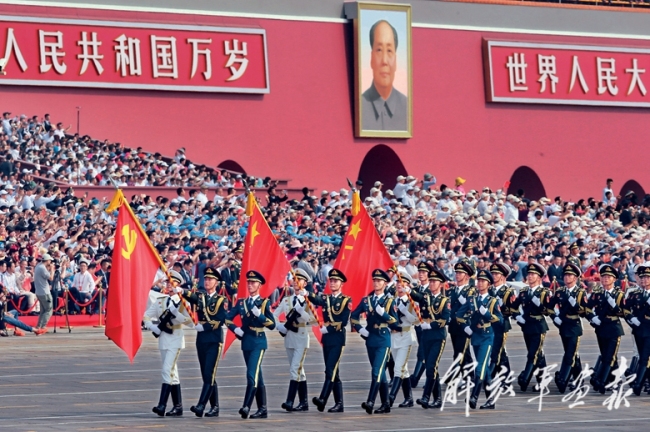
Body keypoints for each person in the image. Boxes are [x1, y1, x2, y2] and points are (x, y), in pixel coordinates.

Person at [178, 267, 228, 418]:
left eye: (210, 279)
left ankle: (201, 405)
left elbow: (220, 320)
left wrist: (204, 326)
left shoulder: (221, 300)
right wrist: (179, 289)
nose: (207, 281)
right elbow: (191, 297)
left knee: (209, 374)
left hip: (214, 339)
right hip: (201, 340)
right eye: (205, 279)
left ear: (216, 283)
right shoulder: (201, 296)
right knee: (208, 376)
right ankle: (215, 407)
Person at [143, 270, 194, 417]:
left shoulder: (183, 303)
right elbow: (146, 315)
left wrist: (176, 314)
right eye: (167, 283)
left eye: (171, 283)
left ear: (178, 285)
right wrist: (152, 327)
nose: (168, 286)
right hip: (163, 339)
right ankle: (178, 407)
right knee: (173, 373)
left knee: (166, 370)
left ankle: (162, 405)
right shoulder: (161, 300)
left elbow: (191, 323)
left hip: (175, 339)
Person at [226, 270, 276, 419]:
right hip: (246, 341)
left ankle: (246, 406)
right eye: (248, 282)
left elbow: (272, 325)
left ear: (259, 285)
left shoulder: (264, 302)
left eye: (253, 282)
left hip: (258, 341)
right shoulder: (241, 302)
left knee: (251, 375)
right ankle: (263, 409)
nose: (250, 285)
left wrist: (259, 315)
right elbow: (227, 319)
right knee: (257, 376)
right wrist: (236, 330)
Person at [351, 269, 399, 415]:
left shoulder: (389, 301)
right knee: (381, 375)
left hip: (383, 339)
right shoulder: (367, 300)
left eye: (379, 281)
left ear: (385, 283)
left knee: (376, 371)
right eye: (375, 280)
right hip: (370, 338)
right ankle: (385, 404)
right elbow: (353, 316)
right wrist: (360, 329)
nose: (376, 283)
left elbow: (395, 323)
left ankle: (371, 401)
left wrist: (383, 314)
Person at [457, 270, 502, 409]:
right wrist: (465, 327)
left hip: (487, 336)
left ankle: (474, 396)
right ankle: (491, 400)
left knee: (480, 367)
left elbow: (500, 320)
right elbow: (459, 314)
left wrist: (487, 313)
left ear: (488, 284)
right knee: (485, 369)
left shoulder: (493, 301)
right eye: (479, 281)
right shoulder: (472, 299)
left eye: (483, 281)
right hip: (475, 336)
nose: (480, 283)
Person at [307, 268, 351, 413]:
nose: (332, 283)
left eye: (335, 281)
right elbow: (318, 299)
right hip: (327, 339)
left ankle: (323, 399)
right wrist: (307, 294)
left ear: (341, 283)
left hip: (337, 338)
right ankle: (339, 404)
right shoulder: (326, 298)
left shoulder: (346, 300)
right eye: (331, 281)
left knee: (330, 370)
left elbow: (343, 322)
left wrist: (330, 329)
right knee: (334, 372)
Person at [273, 268, 317, 412]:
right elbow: (273, 316)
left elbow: (314, 320)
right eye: (294, 279)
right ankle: (304, 402)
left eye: (300, 280)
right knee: (299, 370)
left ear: (305, 283)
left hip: (302, 337)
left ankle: (290, 401)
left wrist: (301, 312)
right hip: (289, 337)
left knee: (294, 369)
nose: (296, 282)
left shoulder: (308, 300)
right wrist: (280, 327)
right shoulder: (287, 300)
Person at [410, 268, 450, 409]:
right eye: (431, 281)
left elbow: (446, 319)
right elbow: (418, 297)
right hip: (426, 336)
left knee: (431, 367)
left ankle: (426, 397)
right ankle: (438, 399)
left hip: (438, 337)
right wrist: (408, 290)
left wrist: (431, 325)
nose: (432, 284)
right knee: (431, 367)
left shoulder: (445, 300)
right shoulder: (426, 297)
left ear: (440, 284)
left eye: (435, 282)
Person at [361, 20, 408, 131]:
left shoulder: (408, 108)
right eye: (379, 50)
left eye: (389, 50)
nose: (384, 61)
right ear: (371, 58)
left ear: (396, 61)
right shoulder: (359, 107)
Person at [512, 262, 552, 392]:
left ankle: (525, 379)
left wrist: (538, 304)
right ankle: (543, 380)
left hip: (538, 326)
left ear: (539, 277)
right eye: (529, 274)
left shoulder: (544, 292)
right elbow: (513, 306)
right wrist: (517, 316)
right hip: (526, 326)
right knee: (538, 354)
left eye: (533, 274)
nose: (530, 276)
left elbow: (547, 310)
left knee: (532, 355)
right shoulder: (524, 291)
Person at [549, 263, 588, 394]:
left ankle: (563, 379)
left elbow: (584, 311)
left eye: (570, 275)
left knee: (569, 354)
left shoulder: (580, 292)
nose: (567, 277)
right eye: (565, 275)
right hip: (563, 325)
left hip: (574, 326)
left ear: (576, 278)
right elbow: (549, 306)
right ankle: (579, 382)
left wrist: (575, 305)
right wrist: (555, 317)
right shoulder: (560, 292)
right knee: (573, 355)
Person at [586, 264, 625, 394]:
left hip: (614, 328)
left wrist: (614, 306)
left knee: (610, 356)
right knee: (606, 355)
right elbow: (587, 308)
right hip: (601, 327)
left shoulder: (618, 294)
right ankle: (615, 379)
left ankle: (602, 381)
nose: (605, 279)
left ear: (614, 279)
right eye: (603, 276)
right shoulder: (597, 293)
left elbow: (623, 313)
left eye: (608, 277)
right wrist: (592, 318)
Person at [387, 272, 419, 408]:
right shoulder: (391, 299)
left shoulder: (412, 301)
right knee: (403, 369)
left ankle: (390, 398)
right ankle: (408, 398)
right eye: (398, 282)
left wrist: (405, 311)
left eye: (402, 283)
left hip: (406, 336)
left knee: (398, 368)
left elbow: (417, 320)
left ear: (407, 285)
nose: (399, 285)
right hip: (393, 337)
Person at [488, 263, 516, 382]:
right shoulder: (489, 290)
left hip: (501, 323)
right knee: (498, 351)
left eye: (496, 274)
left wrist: (501, 305)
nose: (494, 276)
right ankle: (505, 377)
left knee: (498, 351)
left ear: (503, 276)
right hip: (489, 324)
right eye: (492, 273)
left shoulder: (509, 291)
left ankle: (494, 376)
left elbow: (511, 310)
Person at [625, 263, 650, 396]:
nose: (644, 280)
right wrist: (631, 318)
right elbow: (626, 309)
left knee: (645, 358)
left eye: (647, 277)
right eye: (642, 277)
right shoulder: (635, 294)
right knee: (643, 356)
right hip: (639, 330)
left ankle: (638, 384)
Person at [448, 260, 477, 374]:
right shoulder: (452, 290)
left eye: (460, 273)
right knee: (463, 352)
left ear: (467, 276)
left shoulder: (471, 290)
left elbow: (471, 307)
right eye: (457, 272)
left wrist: (462, 299)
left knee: (459, 352)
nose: (457, 275)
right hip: (454, 325)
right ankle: (469, 377)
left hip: (464, 325)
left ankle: (454, 377)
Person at [409, 262, 431, 389]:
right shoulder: (417, 288)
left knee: (422, 352)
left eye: (424, 272)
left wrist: (410, 291)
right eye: (420, 272)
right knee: (426, 352)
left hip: (428, 325)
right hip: (419, 325)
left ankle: (415, 378)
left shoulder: (430, 289)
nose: (421, 274)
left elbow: (423, 298)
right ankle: (430, 379)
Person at [34, 254, 55, 331]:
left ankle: (38, 326)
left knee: (43, 310)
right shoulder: (42, 268)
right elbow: (51, 278)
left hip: (39, 291)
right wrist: (52, 269)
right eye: (49, 260)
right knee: (48, 310)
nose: (50, 262)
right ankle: (43, 326)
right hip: (44, 292)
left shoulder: (38, 266)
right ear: (47, 260)